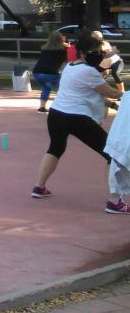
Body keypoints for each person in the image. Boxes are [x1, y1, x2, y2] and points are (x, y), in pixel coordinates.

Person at [30, 33, 127, 214]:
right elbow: (111, 92)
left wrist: (113, 105)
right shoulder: (89, 72)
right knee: (111, 155)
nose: (99, 55)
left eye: (100, 52)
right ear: (83, 53)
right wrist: (125, 96)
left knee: (55, 148)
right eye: (95, 52)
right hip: (76, 118)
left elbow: (88, 93)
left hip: (57, 114)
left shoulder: (70, 66)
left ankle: (39, 187)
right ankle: (114, 201)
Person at [34, 31, 68, 113]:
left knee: (46, 88)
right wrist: (66, 46)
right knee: (64, 87)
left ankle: (42, 108)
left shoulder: (44, 49)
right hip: (51, 73)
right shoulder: (62, 50)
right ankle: (63, 106)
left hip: (37, 72)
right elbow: (66, 59)